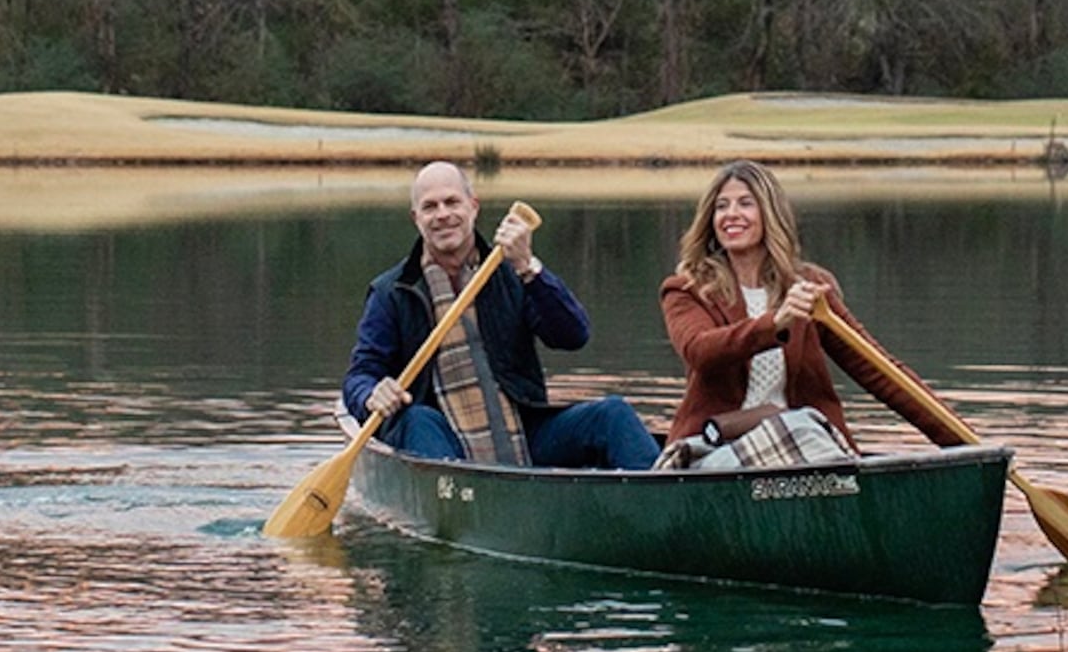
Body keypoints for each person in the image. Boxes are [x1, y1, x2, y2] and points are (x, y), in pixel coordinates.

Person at [344, 161, 661, 470]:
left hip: (523, 432)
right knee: (417, 417)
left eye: (452, 202)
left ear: (473, 206)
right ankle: (459, 507)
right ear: (416, 218)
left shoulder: (511, 273)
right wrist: (372, 393)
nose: (442, 214)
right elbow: (359, 376)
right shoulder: (392, 292)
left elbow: (573, 336)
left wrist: (529, 268)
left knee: (613, 414)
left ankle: (665, 504)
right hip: (437, 437)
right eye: (430, 207)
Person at [656, 158, 952, 458]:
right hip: (714, 451)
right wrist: (775, 324)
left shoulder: (811, 288)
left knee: (802, 426)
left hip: (803, 453)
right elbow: (700, 351)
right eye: (722, 206)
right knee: (799, 426)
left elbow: (878, 371)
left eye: (745, 204)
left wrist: (966, 445)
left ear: (769, 215)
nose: (731, 215)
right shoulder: (686, 289)